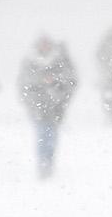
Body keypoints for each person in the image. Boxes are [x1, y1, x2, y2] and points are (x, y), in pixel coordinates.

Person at [18, 37, 78, 178]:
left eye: (47, 45)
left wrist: (57, 88)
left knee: (51, 139)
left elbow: (68, 85)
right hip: (37, 108)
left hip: (55, 109)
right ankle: (42, 165)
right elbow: (24, 86)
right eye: (42, 45)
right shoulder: (31, 62)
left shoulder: (59, 62)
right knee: (42, 136)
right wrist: (32, 102)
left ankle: (48, 163)